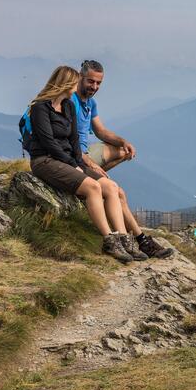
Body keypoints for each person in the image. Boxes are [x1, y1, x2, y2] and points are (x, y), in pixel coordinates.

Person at [23, 66, 145, 263]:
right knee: (93, 187)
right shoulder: (40, 108)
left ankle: (125, 240)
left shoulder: (68, 107)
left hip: (69, 160)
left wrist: (81, 162)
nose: (76, 87)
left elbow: (74, 141)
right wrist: (74, 164)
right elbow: (49, 143)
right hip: (45, 160)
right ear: (65, 83)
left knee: (111, 187)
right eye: (74, 82)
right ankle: (109, 240)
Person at [73, 60, 173, 259]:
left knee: (123, 153)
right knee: (117, 192)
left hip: (85, 154)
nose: (94, 87)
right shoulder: (70, 101)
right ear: (80, 77)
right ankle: (140, 239)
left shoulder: (90, 103)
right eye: (90, 81)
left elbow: (100, 131)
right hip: (76, 156)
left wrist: (123, 141)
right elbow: (66, 141)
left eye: (98, 83)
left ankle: (138, 239)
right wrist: (87, 162)